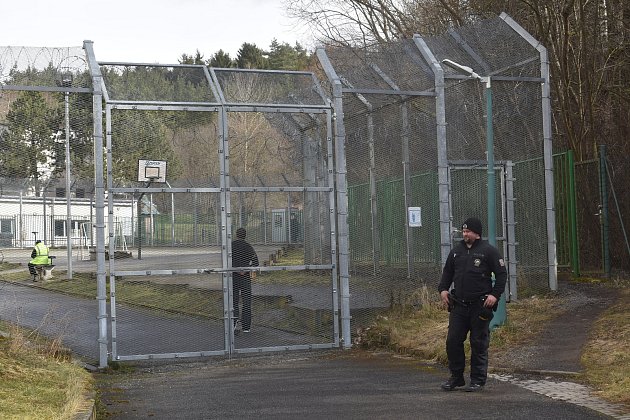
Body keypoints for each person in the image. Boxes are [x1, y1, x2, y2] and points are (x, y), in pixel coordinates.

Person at [437, 217, 507, 392]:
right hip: (459, 305)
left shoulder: (488, 252)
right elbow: (447, 273)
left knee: (478, 342)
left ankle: (477, 380)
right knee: (453, 341)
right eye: (464, 231)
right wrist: (443, 290)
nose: (465, 234)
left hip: (480, 305)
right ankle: (456, 377)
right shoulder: (456, 252)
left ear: (477, 234)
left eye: (468, 231)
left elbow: (501, 275)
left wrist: (494, 295)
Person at [231, 227, 259, 333]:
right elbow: (255, 262)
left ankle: (233, 324)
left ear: (236, 235)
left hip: (233, 276)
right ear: (245, 235)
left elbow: (227, 259)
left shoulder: (231, 246)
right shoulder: (248, 247)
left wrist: (236, 269)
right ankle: (246, 327)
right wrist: (246, 268)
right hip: (245, 277)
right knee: (246, 302)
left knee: (234, 301)